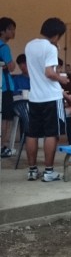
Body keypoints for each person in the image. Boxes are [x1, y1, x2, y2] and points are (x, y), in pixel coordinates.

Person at [24, 17, 68, 182]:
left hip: (34, 97)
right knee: (51, 134)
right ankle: (49, 171)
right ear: (56, 35)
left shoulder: (29, 45)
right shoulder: (50, 48)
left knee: (32, 134)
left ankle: (32, 170)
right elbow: (49, 72)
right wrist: (62, 79)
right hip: (51, 97)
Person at [0, 17, 17, 158]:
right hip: (4, 87)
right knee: (5, 117)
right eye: (11, 29)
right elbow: (11, 67)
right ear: (3, 31)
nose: (13, 32)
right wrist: (10, 64)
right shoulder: (4, 47)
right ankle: (2, 146)